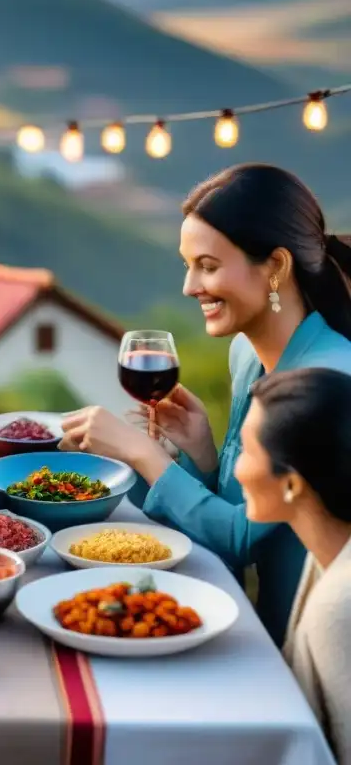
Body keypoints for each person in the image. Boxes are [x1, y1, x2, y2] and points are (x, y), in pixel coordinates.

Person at [56, 163, 351, 647]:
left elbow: (241, 538)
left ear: (275, 267)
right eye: (188, 264)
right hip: (250, 623)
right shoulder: (246, 355)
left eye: (208, 266)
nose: (190, 287)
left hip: (305, 648)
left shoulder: (329, 379)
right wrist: (204, 455)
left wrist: (144, 456)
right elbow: (246, 515)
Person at [235, 368, 351, 763]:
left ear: (292, 484)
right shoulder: (326, 555)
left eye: (248, 452)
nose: (238, 470)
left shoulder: (338, 607)